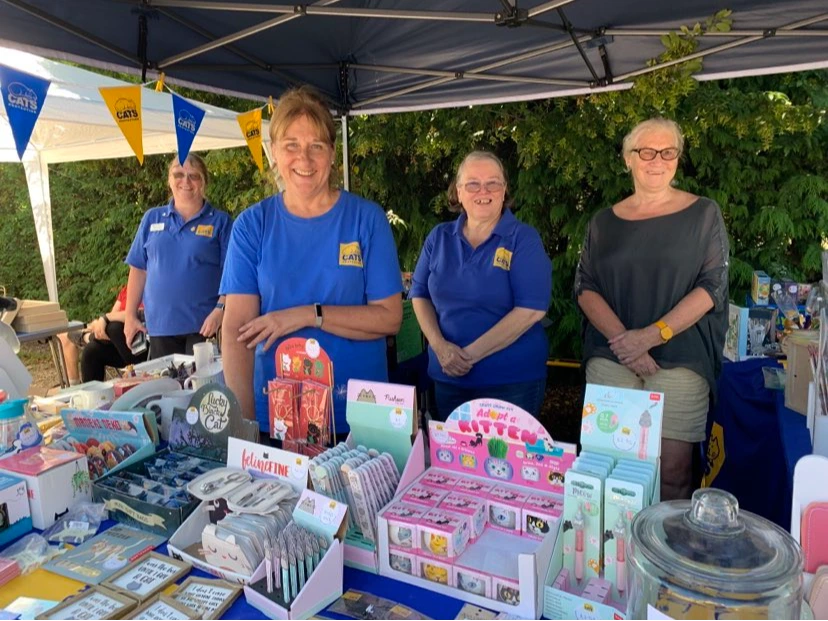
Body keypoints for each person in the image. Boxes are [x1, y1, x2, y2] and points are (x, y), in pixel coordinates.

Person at [220, 85, 403, 435]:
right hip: (279, 418)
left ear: (332, 154)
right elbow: (236, 331)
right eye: (291, 146)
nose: (304, 160)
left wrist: (308, 315)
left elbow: (390, 318)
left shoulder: (367, 219)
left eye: (316, 146)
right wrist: (244, 426)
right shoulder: (252, 225)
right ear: (274, 152)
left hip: (363, 419)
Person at [574, 118, 729, 501]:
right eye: (646, 151)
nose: (656, 160)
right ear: (628, 159)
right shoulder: (603, 222)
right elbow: (585, 286)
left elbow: (712, 287)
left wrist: (650, 337)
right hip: (612, 354)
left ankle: (668, 556)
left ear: (677, 158)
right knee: (608, 467)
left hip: (680, 358)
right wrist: (623, 341)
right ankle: (611, 553)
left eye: (667, 152)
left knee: (674, 472)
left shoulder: (704, 214)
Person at [409, 151, 552, 421]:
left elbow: (531, 310)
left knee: (504, 462)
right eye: (473, 183)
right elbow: (419, 294)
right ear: (459, 192)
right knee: (451, 462)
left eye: (493, 183)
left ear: (504, 190)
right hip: (448, 379)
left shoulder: (523, 239)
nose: (483, 191)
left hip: (511, 383)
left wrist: (466, 357)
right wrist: (440, 348)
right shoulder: (439, 237)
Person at [124, 153, 232, 359]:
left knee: (201, 389)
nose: (186, 181)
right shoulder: (151, 218)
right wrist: (130, 316)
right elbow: (138, 269)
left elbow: (233, 274)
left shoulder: (221, 222)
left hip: (204, 328)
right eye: (178, 175)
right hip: (159, 328)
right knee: (164, 388)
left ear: (204, 182)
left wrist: (220, 310)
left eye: (194, 176)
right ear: (169, 181)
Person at [58, 286, 148, 383]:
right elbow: (113, 314)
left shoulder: (148, 287)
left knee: (114, 327)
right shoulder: (126, 289)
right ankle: (90, 394)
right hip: (115, 344)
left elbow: (141, 314)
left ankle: (87, 337)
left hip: (138, 346)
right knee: (92, 350)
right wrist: (102, 322)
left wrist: (105, 318)